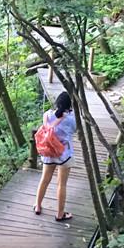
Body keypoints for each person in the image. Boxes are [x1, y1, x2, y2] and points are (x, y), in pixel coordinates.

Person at [34, 91, 76, 221]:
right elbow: (74, 130)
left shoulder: (47, 114)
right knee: (61, 184)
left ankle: (38, 206)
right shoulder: (71, 118)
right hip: (64, 155)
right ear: (70, 105)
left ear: (57, 103)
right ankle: (59, 214)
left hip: (48, 153)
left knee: (44, 180)